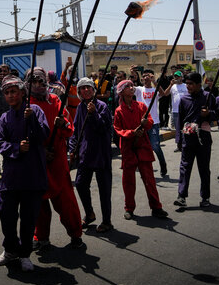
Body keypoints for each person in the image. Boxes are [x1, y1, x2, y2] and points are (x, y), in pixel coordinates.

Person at [0, 75, 49, 272]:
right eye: (7, 93)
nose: (10, 95)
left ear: (22, 92)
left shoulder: (35, 110)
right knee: (5, 214)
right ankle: (10, 250)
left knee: (28, 218)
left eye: (13, 91)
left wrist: (31, 119)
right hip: (11, 177)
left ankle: (25, 254)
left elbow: (44, 136)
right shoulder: (4, 118)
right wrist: (16, 148)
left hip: (33, 175)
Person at [26, 68, 84, 251]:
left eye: (41, 81)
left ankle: (75, 233)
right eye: (34, 81)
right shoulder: (26, 105)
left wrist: (62, 124)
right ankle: (41, 237)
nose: (38, 84)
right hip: (36, 161)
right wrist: (41, 151)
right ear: (28, 83)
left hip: (57, 160)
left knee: (65, 201)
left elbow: (69, 128)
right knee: (39, 205)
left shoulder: (55, 100)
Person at [113, 80, 169, 220]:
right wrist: (131, 133)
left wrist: (146, 123)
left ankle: (156, 207)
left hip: (143, 146)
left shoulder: (142, 106)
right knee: (129, 181)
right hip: (128, 149)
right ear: (121, 92)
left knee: (149, 179)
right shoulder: (119, 111)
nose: (131, 88)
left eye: (132, 86)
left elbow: (149, 121)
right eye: (128, 87)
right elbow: (118, 129)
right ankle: (129, 208)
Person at [69, 77, 113, 233]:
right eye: (82, 88)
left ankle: (107, 221)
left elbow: (103, 128)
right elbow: (76, 130)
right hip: (85, 154)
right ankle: (89, 213)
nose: (86, 90)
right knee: (80, 184)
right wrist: (72, 149)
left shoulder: (101, 106)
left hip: (101, 153)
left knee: (104, 189)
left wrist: (94, 113)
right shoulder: (80, 108)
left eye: (88, 87)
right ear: (79, 92)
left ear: (93, 90)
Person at [174, 72, 217, 208]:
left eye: (191, 84)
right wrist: (179, 140)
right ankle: (181, 196)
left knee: (204, 168)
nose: (188, 86)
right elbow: (180, 120)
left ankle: (205, 197)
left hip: (203, 138)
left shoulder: (208, 97)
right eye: (187, 83)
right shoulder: (184, 99)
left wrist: (208, 114)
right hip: (188, 138)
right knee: (185, 167)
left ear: (199, 84)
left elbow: (218, 115)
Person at [134, 69, 168, 177]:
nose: (145, 78)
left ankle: (163, 165)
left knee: (155, 146)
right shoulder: (139, 90)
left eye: (147, 76)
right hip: (141, 123)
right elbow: (130, 87)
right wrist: (133, 74)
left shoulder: (154, 90)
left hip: (153, 122)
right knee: (141, 147)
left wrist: (155, 81)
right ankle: (145, 169)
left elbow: (163, 94)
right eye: (143, 76)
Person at [163, 70, 187, 152]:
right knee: (178, 129)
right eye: (175, 76)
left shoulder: (186, 86)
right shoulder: (172, 86)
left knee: (186, 128)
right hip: (176, 111)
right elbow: (165, 94)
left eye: (178, 76)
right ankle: (179, 145)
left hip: (185, 111)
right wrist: (170, 85)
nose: (177, 78)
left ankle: (186, 145)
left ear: (182, 77)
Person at [60, 58, 81, 122]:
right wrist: (66, 67)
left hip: (78, 108)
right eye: (70, 71)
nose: (72, 72)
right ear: (68, 72)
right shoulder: (67, 83)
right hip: (70, 109)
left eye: (74, 71)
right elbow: (62, 78)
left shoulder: (79, 82)